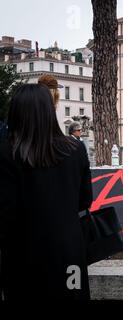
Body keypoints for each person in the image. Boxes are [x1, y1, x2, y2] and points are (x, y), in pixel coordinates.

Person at [0, 84, 93, 300]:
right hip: (69, 254)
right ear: (50, 112)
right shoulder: (76, 149)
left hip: (22, 257)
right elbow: (84, 200)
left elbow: (5, 214)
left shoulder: (7, 153)